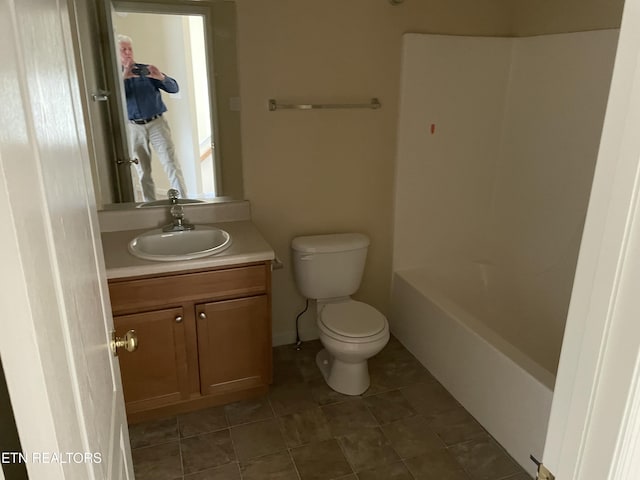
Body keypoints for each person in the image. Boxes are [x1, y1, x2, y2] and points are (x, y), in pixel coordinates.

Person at [118, 34, 187, 201]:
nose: (128, 53)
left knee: (171, 163)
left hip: (157, 123)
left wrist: (161, 77)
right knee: (142, 170)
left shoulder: (145, 70)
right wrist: (123, 77)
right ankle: (150, 205)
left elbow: (174, 88)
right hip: (133, 127)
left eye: (130, 49)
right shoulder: (115, 76)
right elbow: (115, 99)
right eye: (123, 50)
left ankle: (183, 202)